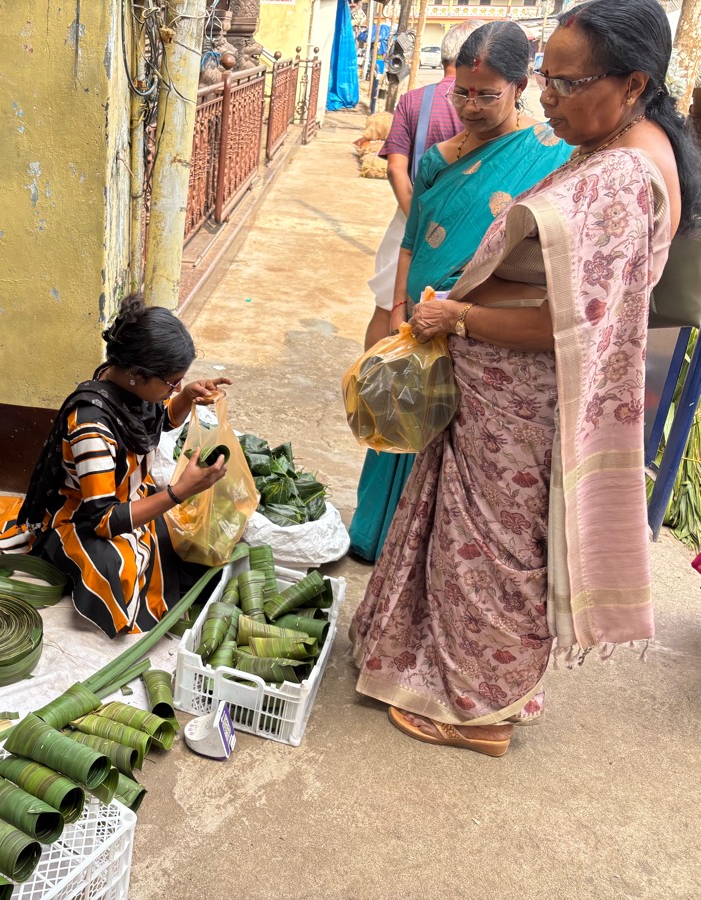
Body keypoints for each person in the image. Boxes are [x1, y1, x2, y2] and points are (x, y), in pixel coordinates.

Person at [350, 0, 699, 757]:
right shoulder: (613, 144)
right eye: (546, 77)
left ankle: (483, 710)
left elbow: (569, 325)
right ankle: (443, 673)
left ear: (634, 83)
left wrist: (459, 318)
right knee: (470, 540)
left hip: (523, 407)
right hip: (496, 398)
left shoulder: (623, 176)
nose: (548, 97)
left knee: (495, 555)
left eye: (567, 84)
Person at [348, 21, 572, 563]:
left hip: (482, 332)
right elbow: (411, 242)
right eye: (462, 93)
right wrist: (397, 311)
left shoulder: (551, 156)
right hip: (421, 321)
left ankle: (424, 560)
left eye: (487, 95)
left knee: (455, 455)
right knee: (400, 420)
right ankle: (377, 539)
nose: (470, 106)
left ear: (521, 86)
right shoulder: (435, 161)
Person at [0, 294, 231, 637]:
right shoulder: (92, 427)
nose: (176, 388)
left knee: (187, 543)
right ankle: (61, 555)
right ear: (137, 375)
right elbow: (102, 520)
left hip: (127, 498)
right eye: (172, 382)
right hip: (84, 517)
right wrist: (178, 493)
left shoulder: (127, 384)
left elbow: (158, 422)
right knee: (117, 569)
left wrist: (185, 397)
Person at [363, 19, 484, 351]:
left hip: (410, 217)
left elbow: (395, 170)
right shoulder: (489, 105)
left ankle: (370, 377)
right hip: (470, 227)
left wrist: (416, 221)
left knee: (387, 306)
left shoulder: (413, 101)